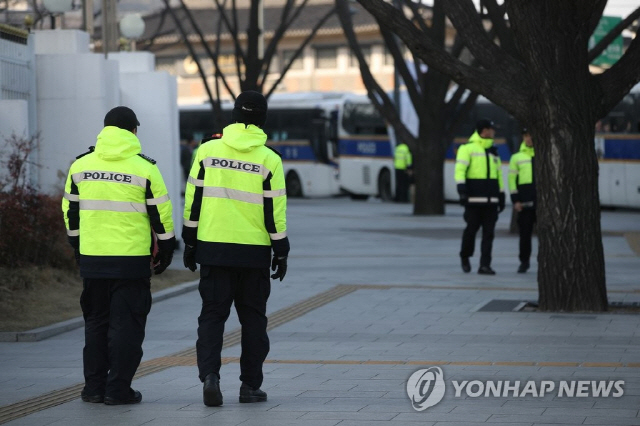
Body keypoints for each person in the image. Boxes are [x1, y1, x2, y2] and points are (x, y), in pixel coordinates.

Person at [61, 106, 175, 405]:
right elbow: (160, 214)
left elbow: (70, 213)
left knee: (96, 323)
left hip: (93, 259)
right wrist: (166, 250)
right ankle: (117, 390)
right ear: (133, 131)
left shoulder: (80, 166)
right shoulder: (145, 168)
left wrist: (77, 247)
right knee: (127, 325)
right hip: (131, 261)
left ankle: (93, 388)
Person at [182, 91, 289, 407]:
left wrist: (190, 242)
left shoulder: (207, 151)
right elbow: (275, 212)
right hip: (253, 253)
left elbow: (194, 201)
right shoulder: (270, 159)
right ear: (263, 119)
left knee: (212, 317)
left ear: (233, 114)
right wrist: (280, 250)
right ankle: (250, 386)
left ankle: (211, 377)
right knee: (254, 320)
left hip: (213, 249)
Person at [455, 119, 505, 275]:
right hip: (474, 200)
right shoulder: (467, 148)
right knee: (471, 230)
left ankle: (485, 265)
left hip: (491, 201)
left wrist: (501, 194)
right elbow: (460, 170)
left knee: (488, 234)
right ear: (485, 131)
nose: (494, 132)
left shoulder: (493, 151)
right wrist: (462, 191)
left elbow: (498, 175)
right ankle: (465, 256)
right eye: (492, 129)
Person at [508, 128, 536, 273]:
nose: (528, 138)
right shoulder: (516, 157)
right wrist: (515, 200)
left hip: (543, 202)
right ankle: (524, 262)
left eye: (530, 135)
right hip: (524, 202)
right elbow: (512, 181)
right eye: (526, 135)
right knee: (525, 234)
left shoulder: (544, 154)